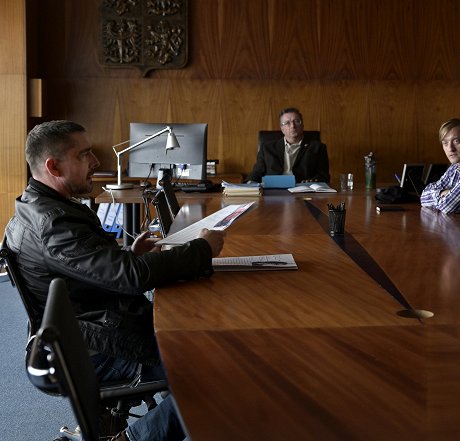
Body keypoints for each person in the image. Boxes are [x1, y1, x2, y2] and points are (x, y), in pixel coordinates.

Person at [4, 120, 226, 440]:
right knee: (218, 370)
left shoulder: (38, 205)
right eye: (84, 155)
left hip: (92, 326)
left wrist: (131, 256)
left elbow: (94, 271)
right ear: (53, 166)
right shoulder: (54, 223)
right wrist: (202, 249)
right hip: (96, 345)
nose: (96, 162)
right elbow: (132, 279)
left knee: (200, 336)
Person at [246, 107, 330, 183]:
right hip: (273, 192)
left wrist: (312, 182)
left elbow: (324, 176)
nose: (293, 126)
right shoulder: (267, 148)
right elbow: (257, 172)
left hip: (303, 191)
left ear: (302, 125)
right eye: (287, 123)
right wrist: (249, 183)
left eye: (297, 121)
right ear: (282, 128)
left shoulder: (318, 148)